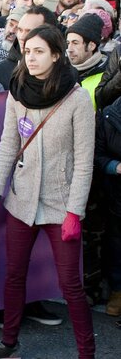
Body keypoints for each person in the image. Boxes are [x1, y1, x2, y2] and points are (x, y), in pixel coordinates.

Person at [0, 25, 94, 359]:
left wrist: (74, 212)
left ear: (56, 55)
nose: (32, 58)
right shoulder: (18, 90)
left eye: (40, 51)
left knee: (70, 285)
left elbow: (84, 161)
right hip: (21, 200)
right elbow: (7, 147)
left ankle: (87, 353)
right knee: (13, 274)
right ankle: (9, 344)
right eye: (28, 51)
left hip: (60, 203)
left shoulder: (76, 97)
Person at [94, 89, 121, 317]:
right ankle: (118, 292)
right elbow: (98, 156)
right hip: (117, 196)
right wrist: (116, 167)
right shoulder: (109, 116)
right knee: (117, 245)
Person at [66, 14, 108, 105]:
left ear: (91, 46)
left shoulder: (107, 75)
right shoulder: (61, 69)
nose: (69, 49)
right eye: (68, 43)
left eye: (75, 43)